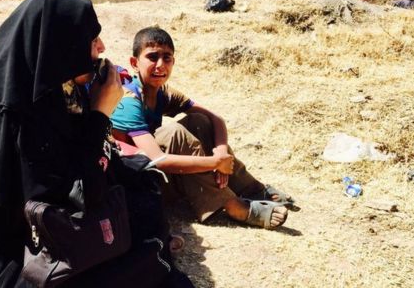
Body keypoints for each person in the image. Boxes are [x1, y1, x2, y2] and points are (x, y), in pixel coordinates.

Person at [0, 0, 193, 288]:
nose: (101, 47)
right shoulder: (23, 115)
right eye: (92, 40)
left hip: (39, 236)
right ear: (61, 45)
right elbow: (80, 197)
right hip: (20, 262)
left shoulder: (39, 87)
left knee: (139, 180)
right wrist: (101, 114)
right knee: (146, 257)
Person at [110, 27, 296, 229]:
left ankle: (252, 189)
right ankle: (232, 205)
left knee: (199, 121)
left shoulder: (162, 92)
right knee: (175, 133)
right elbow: (157, 160)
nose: (160, 65)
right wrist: (213, 163)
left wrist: (221, 155)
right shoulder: (128, 100)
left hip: (157, 176)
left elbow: (215, 118)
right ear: (134, 63)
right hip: (136, 186)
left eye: (167, 58)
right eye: (152, 57)